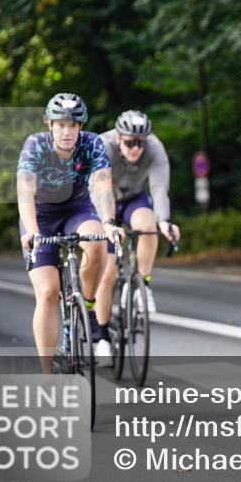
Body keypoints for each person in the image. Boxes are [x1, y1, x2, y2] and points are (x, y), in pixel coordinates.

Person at [16, 93, 123, 370]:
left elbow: (102, 185)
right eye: (60, 124)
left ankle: (84, 309)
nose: (66, 131)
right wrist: (32, 231)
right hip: (41, 216)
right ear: (49, 124)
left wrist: (110, 222)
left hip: (77, 209)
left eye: (72, 125)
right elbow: (25, 191)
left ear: (80, 127)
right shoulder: (35, 145)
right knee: (49, 292)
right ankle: (47, 372)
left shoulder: (92, 143)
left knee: (98, 242)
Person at [95, 110, 180, 366]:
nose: (136, 148)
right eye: (130, 142)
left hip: (133, 198)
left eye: (140, 142)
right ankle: (102, 339)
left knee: (148, 225)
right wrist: (109, 224)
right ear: (119, 137)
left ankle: (143, 285)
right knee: (108, 271)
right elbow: (101, 189)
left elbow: (158, 188)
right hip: (103, 200)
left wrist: (164, 221)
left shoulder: (154, 148)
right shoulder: (103, 146)